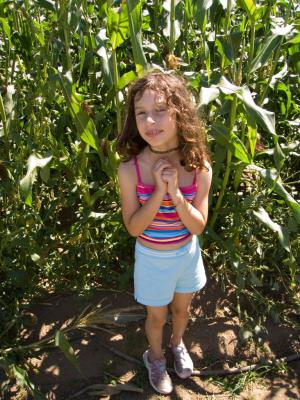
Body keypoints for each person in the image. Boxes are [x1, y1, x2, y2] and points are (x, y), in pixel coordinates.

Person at [117, 71, 212, 395]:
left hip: (186, 255)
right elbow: (134, 228)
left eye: (159, 110)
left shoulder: (199, 167)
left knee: (182, 310)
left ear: (179, 112)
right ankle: (154, 356)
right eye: (141, 113)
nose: (149, 121)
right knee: (156, 316)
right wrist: (159, 191)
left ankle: (177, 344)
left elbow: (198, 226)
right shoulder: (131, 169)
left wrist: (177, 194)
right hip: (152, 258)